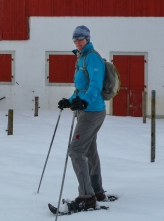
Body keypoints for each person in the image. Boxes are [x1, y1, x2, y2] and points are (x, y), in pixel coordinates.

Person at [57, 25, 106, 210]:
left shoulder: (92, 57)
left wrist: (84, 102)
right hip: (89, 110)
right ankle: (96, 190)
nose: (78, 41)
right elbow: (81, 90)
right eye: (75, 38)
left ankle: (87, 197)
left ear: (88, 39)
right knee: (89, 150)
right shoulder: (82, 58)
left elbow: (95, 86)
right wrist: (70, 101)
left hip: (91, 112)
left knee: (75, 151)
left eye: (81, 38)